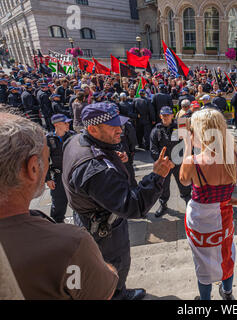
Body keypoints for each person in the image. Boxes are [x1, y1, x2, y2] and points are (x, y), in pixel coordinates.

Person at [0, 109, 119, 299]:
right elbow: (104, 290)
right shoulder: (69, 244)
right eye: (44, 158)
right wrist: (106, 267)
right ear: (32, 168)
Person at [62, 102, 174, 300]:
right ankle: (116, 294)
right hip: (104, 231)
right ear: (92, 128)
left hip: (90, 218)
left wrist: (112, 156)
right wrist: (156, 176)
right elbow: (135, 206)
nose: (120, 130)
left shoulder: (75, 140)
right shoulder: (96, 169)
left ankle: (118, 291)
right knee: (113, 267)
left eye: (119, 124)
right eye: (113, 126)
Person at [179, 108, 237, 300]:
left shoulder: (192, 161)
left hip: (199, 218)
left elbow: (184, 181)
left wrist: (187, 146)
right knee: (227, 255)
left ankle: (205, 300)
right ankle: (227, 293)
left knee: (202, 260)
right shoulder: (236, 158)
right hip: (224, 215)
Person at [150, 106, 191, 217]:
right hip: (164, 165)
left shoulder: (179, 127)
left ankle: (189, 202)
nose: (166, 117)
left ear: (172, 115)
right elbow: (153, 149)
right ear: (160, 116)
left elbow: (185, 146)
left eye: (168, 115)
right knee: (163, 187)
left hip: (178, 163)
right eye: (163, 115)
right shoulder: (155, 130)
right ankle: (163, 205)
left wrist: (176, 161)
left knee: (184, 184)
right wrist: (164, 162)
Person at [45, 114, 76, 223]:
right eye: (65, 123)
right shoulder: (48, 139)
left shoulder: (73, 136)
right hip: (58, 176)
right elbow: (44, 160)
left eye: (68, 122)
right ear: (57, 124)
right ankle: (57, 225)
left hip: (73, 175)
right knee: (58, 203)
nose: (68, 124)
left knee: (79, 200)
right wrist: (48, 179)